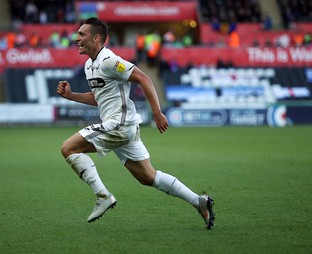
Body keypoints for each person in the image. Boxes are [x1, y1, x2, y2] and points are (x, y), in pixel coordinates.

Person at [56, 17, 215, 229]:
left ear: (96, 38)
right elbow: (99, 98)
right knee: (148, 177)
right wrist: (72, 96)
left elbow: (144, 78)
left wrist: (157, 113)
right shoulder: (89, 65)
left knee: (68, 148)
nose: (77, 38)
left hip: (119, 126)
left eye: (82, 34)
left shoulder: (109, 61)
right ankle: (199, 201)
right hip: (123, 128)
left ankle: (103, 196)